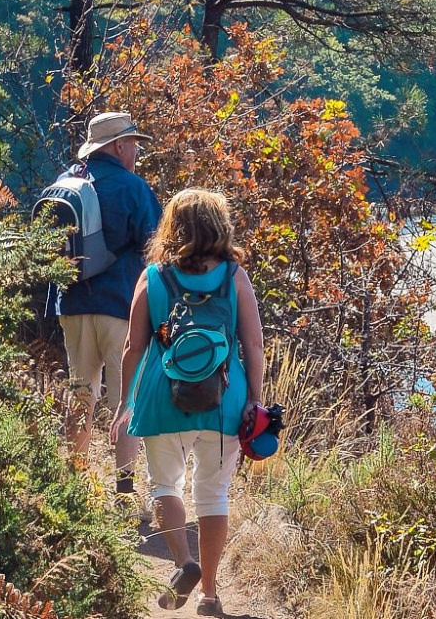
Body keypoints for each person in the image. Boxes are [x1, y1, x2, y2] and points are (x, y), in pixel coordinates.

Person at [115, 189, 264, 617]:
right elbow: (253, 343)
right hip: (225, 399)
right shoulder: (234, 276)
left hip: (163, 396)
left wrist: (126, 402)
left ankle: (184, 563)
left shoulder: (153, 276)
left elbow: (132, 347)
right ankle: (210, 596)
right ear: (220, 226)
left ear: (171, 227)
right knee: (213, 494)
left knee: (165, 487)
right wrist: (254, 399)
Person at [57, 111, 161, 493]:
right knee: (125, 400)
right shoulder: (133, 188)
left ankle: (71, 487)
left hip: (72, 304)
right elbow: (157, 248)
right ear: (118, 146)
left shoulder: (67, 183)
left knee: (80, 395)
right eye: (134, 143)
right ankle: (124, 489)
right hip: (122, 308)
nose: (136, 151)